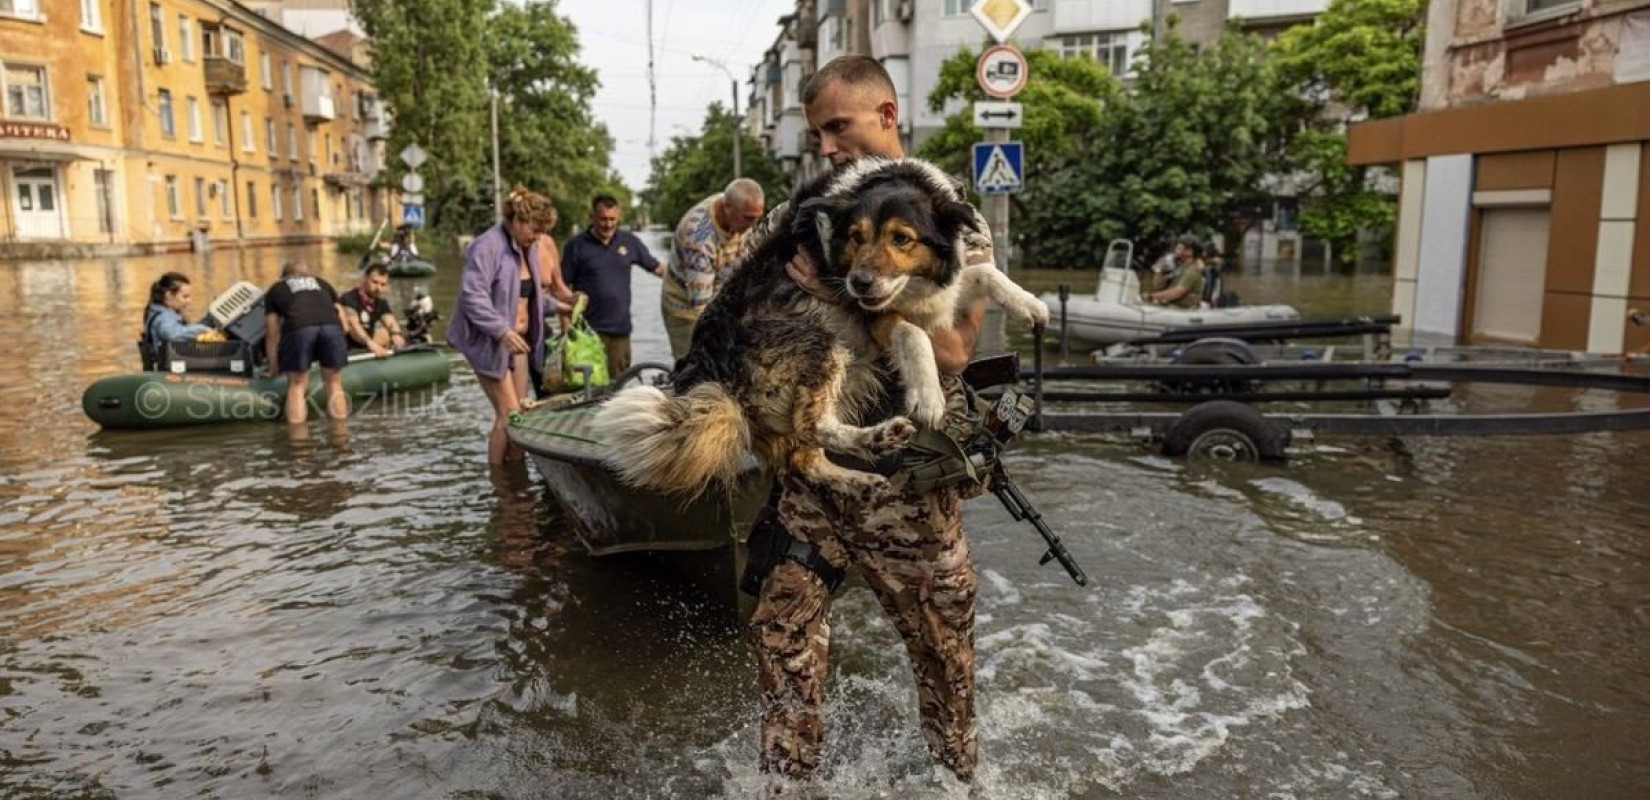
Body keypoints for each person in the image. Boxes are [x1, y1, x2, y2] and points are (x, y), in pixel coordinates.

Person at [743, 55, 994, 782]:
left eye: (838, 127)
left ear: (886, 115)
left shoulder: (943, 216)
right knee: (779, 633)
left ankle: (958, 783)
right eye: (819, 132)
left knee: (942, 658)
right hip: (817, 477)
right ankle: (787, 782)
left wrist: (842, 284)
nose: (825, 146)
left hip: (905, 487)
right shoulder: (821, 212)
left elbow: (950, 352)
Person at [448, 185, 556, 465]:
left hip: (517, 343)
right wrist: (501, 331)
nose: (539, 237)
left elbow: (527, 296)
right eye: (535, 229)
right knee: (508, 416)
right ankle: (500, 483)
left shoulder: (527, 247)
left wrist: (565, 305)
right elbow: (473, 296)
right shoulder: (486, 246)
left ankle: (517, 472)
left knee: (521, 414)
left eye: (543, 231)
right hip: (489, 341)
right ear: (517, 221)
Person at [660, 178, 766, 360]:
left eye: (757, 218)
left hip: (719, 290)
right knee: (694, 366)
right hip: (686, 308)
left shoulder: (737, 210)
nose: (753, 226)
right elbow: (701, 309)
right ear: (726, 207)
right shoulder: (698, 240)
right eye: (748, 218)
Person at [560, 194, 663, 376]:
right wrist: (566, 329)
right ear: (591, 217)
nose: (608, 225)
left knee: (617, 390)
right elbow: (561, 288)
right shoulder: (576, 246)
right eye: (603, 219)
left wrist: (689, 280)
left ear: (619, 216)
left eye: (612, 219)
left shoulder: (629, 242)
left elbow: (657, 269)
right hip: (586, 333)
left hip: (620, 332)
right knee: (586, 389)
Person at [263, 262, 349, 424]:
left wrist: (273, 366)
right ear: (309, 275)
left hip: (299, 327)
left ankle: (298, 440)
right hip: (332, 327)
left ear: (284, 277)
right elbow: (344, 323)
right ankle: (340, 433)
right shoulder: (323, 283)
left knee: (297, 385)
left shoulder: (277, 289)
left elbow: (271, 332)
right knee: (334, 383)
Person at [338, 263, 407, 358]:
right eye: (375, 282)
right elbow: (353, 328)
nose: (378, 288)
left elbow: (390, 322)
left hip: (365, 345)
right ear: (365, 279)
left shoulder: (380, 302)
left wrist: (396, 335)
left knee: (385, 334)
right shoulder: (349, 299)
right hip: (348, 348)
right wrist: (371, 344)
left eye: (382, 284)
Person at [143, 272, 212, 349]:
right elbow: (172, 334)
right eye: (185, 297)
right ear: (168, 296)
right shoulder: (164, 317)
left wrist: (208, 320)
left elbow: (183, 330)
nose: (190, 301)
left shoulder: (161, 312)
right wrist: (202, 329)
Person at [1144, 235, 1206, 309]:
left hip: (1183, 310)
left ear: (1189, 252)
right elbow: (1158, 286)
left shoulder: (1192, 270)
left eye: (1179, 248)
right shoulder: (1180, 268)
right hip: (1173, 306)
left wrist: (1151, 296)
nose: (1175, 251)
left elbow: (1177, 292)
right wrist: (1159, 270)